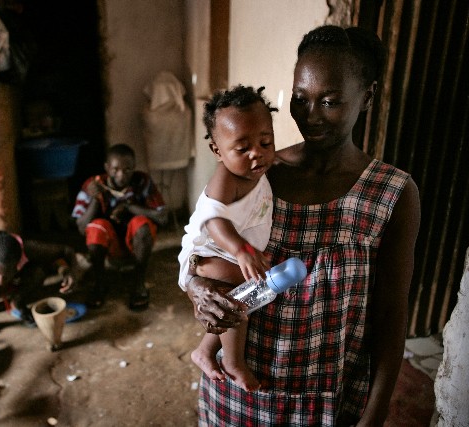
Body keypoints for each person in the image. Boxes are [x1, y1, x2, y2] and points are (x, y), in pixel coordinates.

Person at [184, 25, 421, 426]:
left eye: (329, 101)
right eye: (300, 99)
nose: (310, 116)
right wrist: (198, 290)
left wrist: (376, 411)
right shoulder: (255, 175)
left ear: (367, 96)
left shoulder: (392, 193)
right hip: (239, 389)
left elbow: (390, 314)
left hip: (329, 399)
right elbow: (204, 248)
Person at [178, 85, 276, 392]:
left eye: (266, 141)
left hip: (227, 253)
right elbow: (215, 220)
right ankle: (233, 363)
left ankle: (205, 350)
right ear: (218, 151)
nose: (256, 153)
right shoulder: (226, 178)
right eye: (242, 148)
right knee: (239, 303)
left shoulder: (259, 169)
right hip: (207, 254)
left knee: (241, 298)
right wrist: (243, 249)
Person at [0, 230, 87, 391]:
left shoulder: (23, 250)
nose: (1, 280)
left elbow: (66, 250)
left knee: (37, 272)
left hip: (1, 274)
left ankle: (16, 301)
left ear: (18, 261)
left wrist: (72, 273)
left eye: (7, 273)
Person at [72, 143, 168, 310]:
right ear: (107, 168)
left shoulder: (142, 182)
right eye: (115, 170)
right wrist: (96, 198)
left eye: (127, 169)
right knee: (96, 227)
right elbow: (81, 227)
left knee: (142, 224)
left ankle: (138, 283)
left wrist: (130, 207)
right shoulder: (94, 184)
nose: (121, 175)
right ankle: (100, 283)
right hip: (109, 248)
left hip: (135, 246)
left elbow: (162, 217)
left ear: (134, 168)